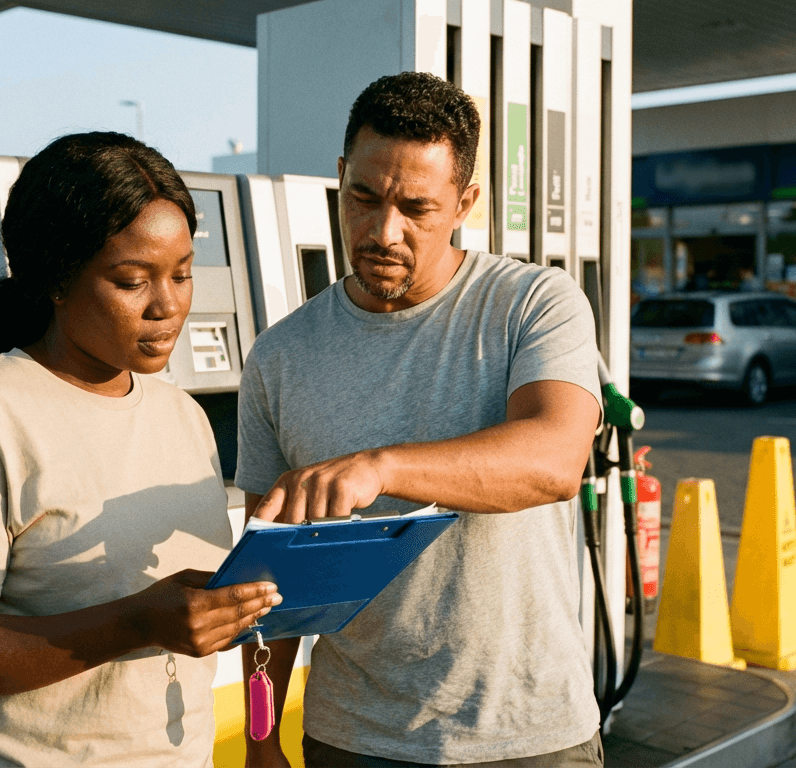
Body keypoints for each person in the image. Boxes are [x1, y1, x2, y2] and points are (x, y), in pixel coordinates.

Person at [237, 73, 605, 767]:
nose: (384, 231)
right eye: (363, 198)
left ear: (465, 203)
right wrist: (261, 740)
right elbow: (270, 580)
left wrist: (381, 468)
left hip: (526, 735)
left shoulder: (535, 304)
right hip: (352, 738)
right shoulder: (280, 355)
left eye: (416, 208)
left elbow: (554, 462)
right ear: (340, 177)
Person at [0, 132, 281, 767]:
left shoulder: (183, 416)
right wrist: (138, 623)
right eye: (133, 280)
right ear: (56, 277)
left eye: (183, 273)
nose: (168, 305)